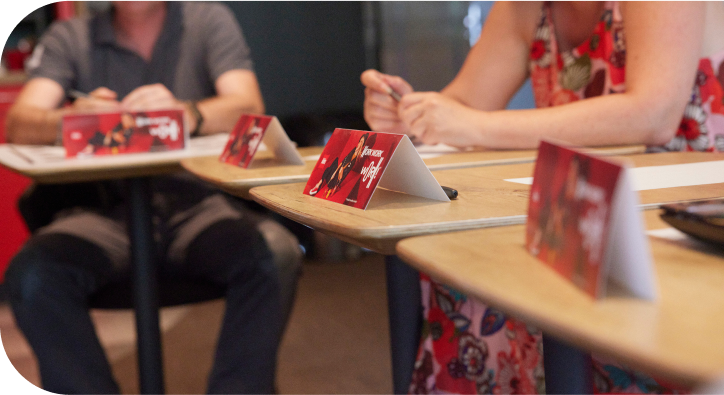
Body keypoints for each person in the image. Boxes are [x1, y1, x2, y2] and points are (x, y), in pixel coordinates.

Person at [362, 0, 724, 394]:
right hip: (577, 214)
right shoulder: (524, 5)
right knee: (470, 279)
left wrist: (474, 126)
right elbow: (465, 105)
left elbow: (654, 114)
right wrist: (411, 114)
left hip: (687, 218)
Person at [4, 1, 302, 394]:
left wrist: (186, 113)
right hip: (105, 212)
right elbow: (20, 122)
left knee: (275, 254)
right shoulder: (70, 36)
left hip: (198, 206)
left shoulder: (208, 20)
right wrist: (75, 119)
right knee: (33, 275)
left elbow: (248, 106)